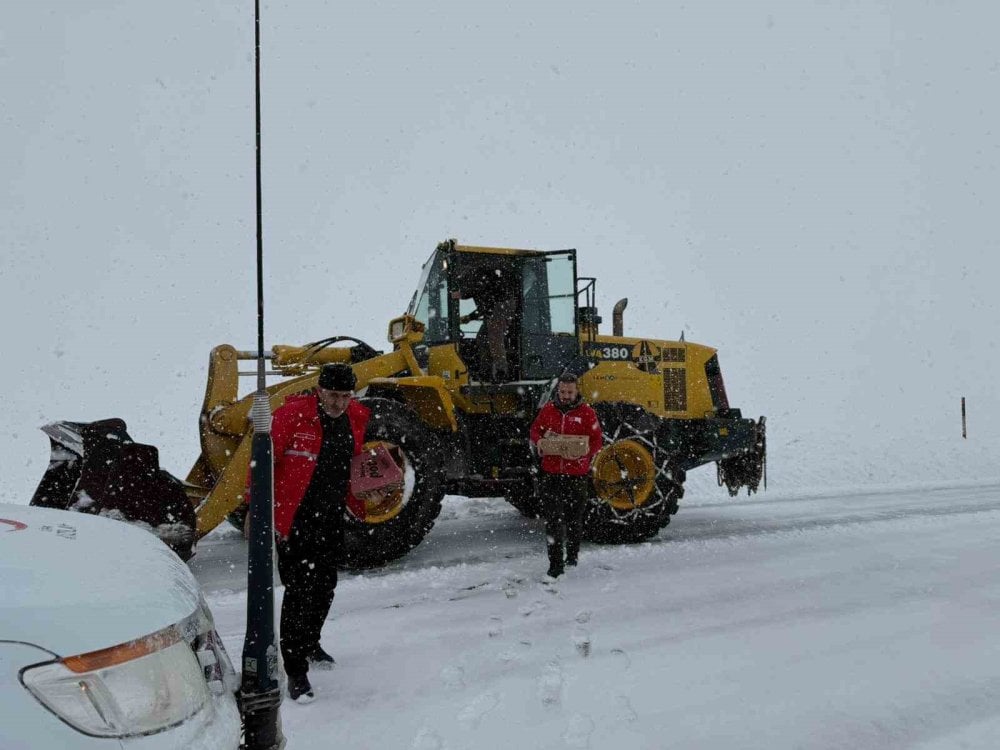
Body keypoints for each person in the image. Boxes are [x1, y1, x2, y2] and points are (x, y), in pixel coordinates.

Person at [262, 362, 370, 702]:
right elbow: (264, 462)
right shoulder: (291, 416)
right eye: (332, 395)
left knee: (325, 586)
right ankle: (295, 670)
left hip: (331, 517)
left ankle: (310, 643)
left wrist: (365, 496)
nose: (338, 403)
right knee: (299, 590)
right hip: (295, 518)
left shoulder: (356, 418)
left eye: (344, 396)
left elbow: (353, 466)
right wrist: (256, 506)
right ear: (319, 390)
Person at [528, 372, 603, 579]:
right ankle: (555, 565)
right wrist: (540, 442)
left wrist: (583, 453)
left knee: (574, 519)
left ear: (576, 390)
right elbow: (535, 430)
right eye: (562, 391)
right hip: (551, 475)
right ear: (558, 390)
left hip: (576, 476)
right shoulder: (548, 410)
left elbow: (597, 441)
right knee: (553, 521)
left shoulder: (587, 413)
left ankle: (572, 555)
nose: (565, 395)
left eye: (569, 392)